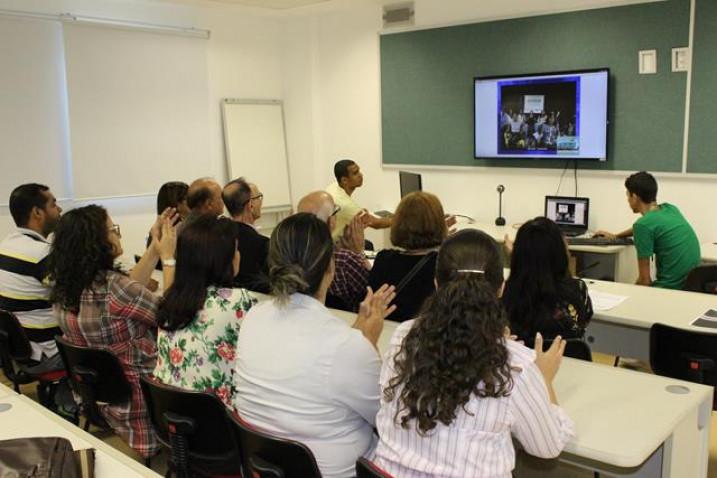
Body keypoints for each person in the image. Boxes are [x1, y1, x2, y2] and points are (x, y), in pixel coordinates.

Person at [372, 229, 574, 476]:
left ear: (436, 283)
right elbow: (548, 447)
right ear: (501, 288)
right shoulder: (516, 365)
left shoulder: (403, 336)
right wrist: (544, 382)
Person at [234, 213, 396, 478]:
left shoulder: (253, 318)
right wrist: (367, 341)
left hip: (263, 467)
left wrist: (358, 336)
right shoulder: (345, 346)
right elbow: (385, 416)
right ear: (330, 268)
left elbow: (318, 365)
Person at [48, 205, 177, 459]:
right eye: (113, 230)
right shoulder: (116, 289)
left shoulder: (67, 289)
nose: (118, 235)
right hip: (142, 402)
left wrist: (154, 247)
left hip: (102, 398)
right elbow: (173, 318)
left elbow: (129, 291)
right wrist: (169, 258)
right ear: (97, 242)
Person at [154, 216, 256, 411]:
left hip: (175, 415)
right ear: (221, 260)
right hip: (224, 420)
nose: (238, 255)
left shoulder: (171, 302)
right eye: (234, 250)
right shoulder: (239, 301)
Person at [595, 171, 701, 289]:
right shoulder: (670, 209)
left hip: (670, 290)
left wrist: (628, 293)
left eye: (627, 195)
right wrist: (616, 236)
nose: (627, 200)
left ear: (634, 197)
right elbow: (648, 227)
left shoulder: (643, 226)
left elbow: (644, 281)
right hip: (692, 286)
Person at [0, 184, 63, 370]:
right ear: (37, 212)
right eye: (53, 204)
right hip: (47, 354)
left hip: (16, 350)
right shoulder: (41, 254)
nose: (59, 209)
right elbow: (83, 294)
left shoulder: (6, 246)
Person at [502, 217, 593, 342]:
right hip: (566, 360)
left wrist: (519, 258)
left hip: (521, 360)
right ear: (559, 252)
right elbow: (583, 321)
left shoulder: (507, 294)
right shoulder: (577, 291)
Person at [368, 191, 447, 321]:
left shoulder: (383, 259)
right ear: (439, 224)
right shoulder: (443, 266)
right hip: (424, 338)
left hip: (383, 334)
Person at [297, 191, 370, 311]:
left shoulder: (290, 256)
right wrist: (359, 253)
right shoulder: (345, 261)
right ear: (331, 222)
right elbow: (372, 290)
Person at [222, 177, 270, 293]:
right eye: (258, 197)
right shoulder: (261, 243)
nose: (261, 202)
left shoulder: (219, 236)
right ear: (250, 205)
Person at [326, 159, 392, 241]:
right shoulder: (345, 204)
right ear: (344, 180)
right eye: (355, 173)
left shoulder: (334, 186)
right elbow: (376, 224)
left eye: (359, 171)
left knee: (368, 244)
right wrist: (399, 219)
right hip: (333, 247)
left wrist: (359, 213)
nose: (360, 175)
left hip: (327, 240)